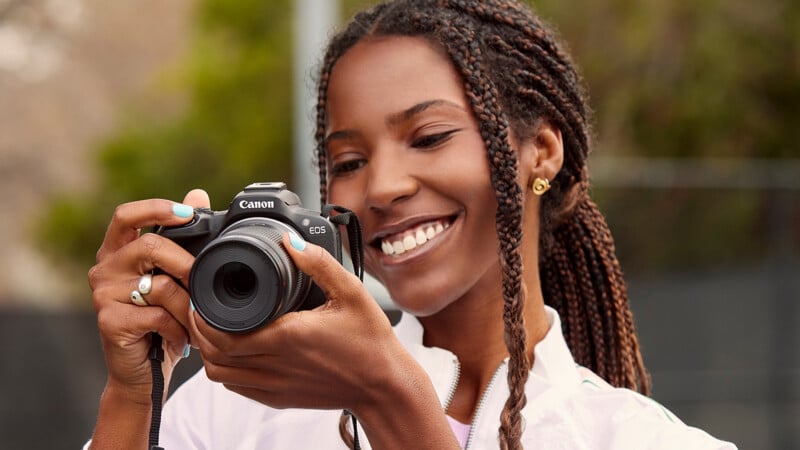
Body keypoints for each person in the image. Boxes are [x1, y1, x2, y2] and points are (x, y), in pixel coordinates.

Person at [84, 0, 737, 448]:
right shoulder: (233, 412)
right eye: (349, 160)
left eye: (428, 137)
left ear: (541, 149)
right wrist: (133, 394)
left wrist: (391, 399)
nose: (383, 187)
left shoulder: (640, 439)